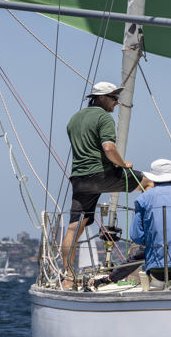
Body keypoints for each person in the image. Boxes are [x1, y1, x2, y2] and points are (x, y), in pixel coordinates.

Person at [61, 81, 153, 281]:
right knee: (148, 184)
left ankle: (67, 274)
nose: (117, 102)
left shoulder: (74, 119)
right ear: (101, 98)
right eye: (114, 98)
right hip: (101, 175)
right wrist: (123, 164)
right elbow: (109, 148)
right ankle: (150, 242)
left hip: (79, 178)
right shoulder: (103, 118)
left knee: (74, 227)